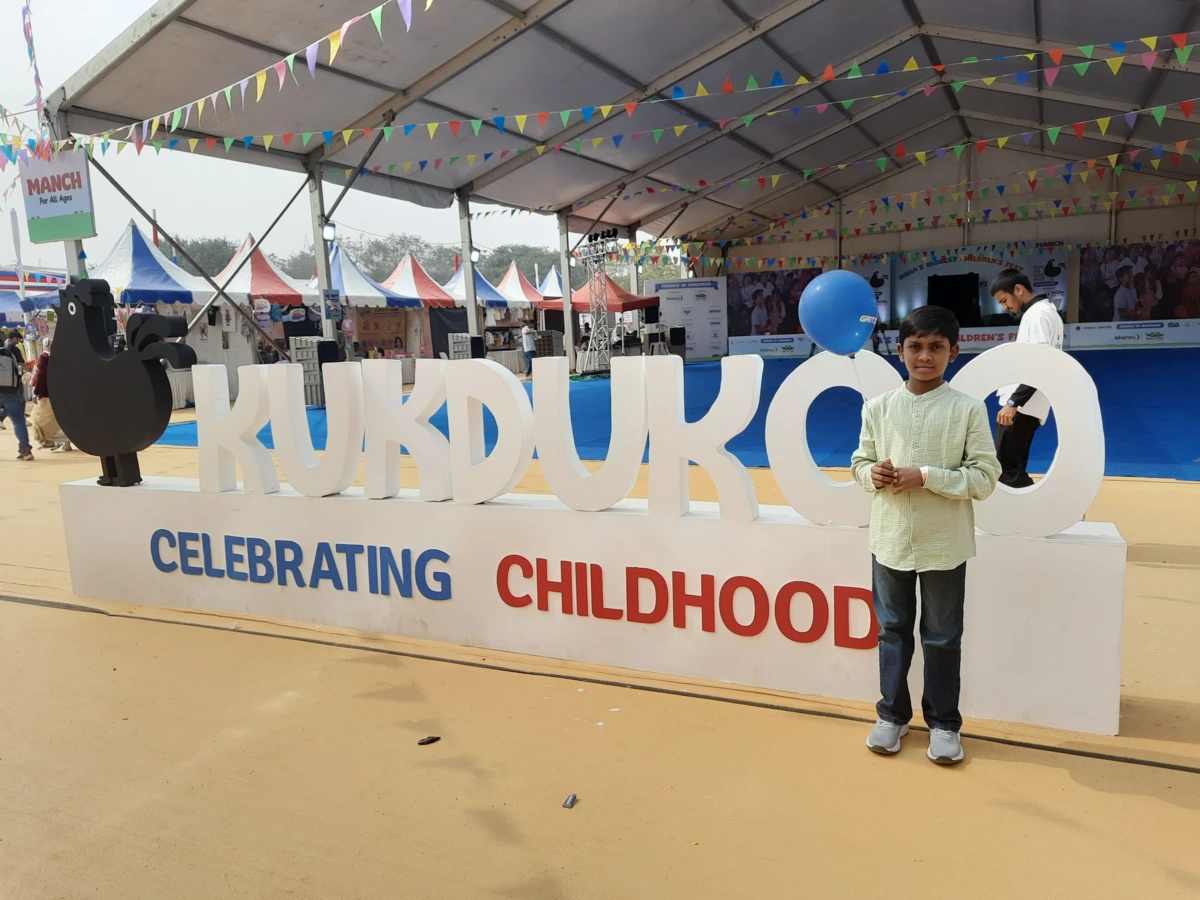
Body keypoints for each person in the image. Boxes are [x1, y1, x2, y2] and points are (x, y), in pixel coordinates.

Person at [851, 306, 1000, 764]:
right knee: (891, 633)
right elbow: (859, 462)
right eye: (915, 347)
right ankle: (891, 715)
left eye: (936, 347)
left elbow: (985, 478)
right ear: (900, 351)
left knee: (941, 637)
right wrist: (871, 474)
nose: (925, 357)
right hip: (890, 540)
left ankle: (944, 724)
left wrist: (929, 476)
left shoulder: (968, 409)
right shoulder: (877, 407)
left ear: (953, 352)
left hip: (944, 544)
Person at [990, 270, 1065, 489]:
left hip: (1024, 403)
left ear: (1018, 290)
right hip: (1031, 401)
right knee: (1013, 468)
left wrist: (1013, 402)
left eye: (1004, 300)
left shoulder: (1036, 315)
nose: (1004, 307)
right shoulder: (1047, 311)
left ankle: (1030, 506)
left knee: (1006, 471)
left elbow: (1038, 364)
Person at [31, 338, 71, 452]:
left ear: (45, 345)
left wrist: (36, 392)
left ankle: (53, 441)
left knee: (40, 420)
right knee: (61, 420)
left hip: (46, 394)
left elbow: (41, 375)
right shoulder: (61, 358)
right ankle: (66, 444)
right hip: (60, 394)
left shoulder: (44, 357)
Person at [0, 329, 33, 460]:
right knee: (18, 420)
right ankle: (25, 450)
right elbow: (19, 368)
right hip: (11, 391)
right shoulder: (11, 351)